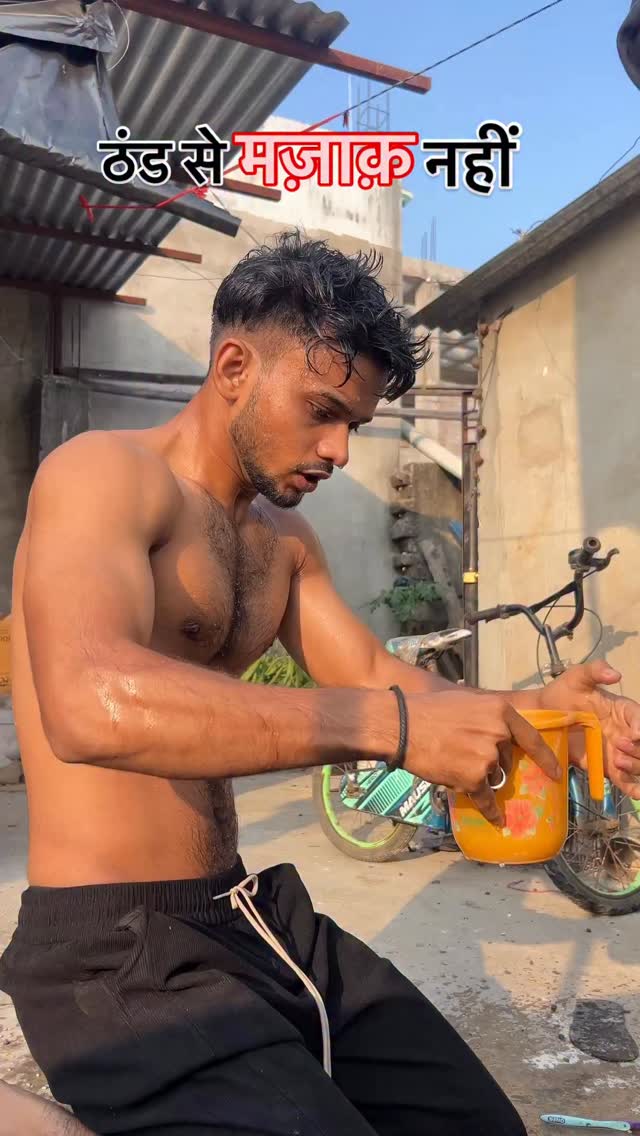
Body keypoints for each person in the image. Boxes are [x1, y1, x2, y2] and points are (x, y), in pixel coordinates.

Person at [1, 231, 638, 1136]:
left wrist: (545, 712)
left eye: (355, 425)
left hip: (248, 917)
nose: (338, 448)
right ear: (234, 367)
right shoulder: (105, 475)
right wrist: (384, 727)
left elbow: (380, 677)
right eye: (322, 411)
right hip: (113, 951)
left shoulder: (283, 543)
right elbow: (87, 703)